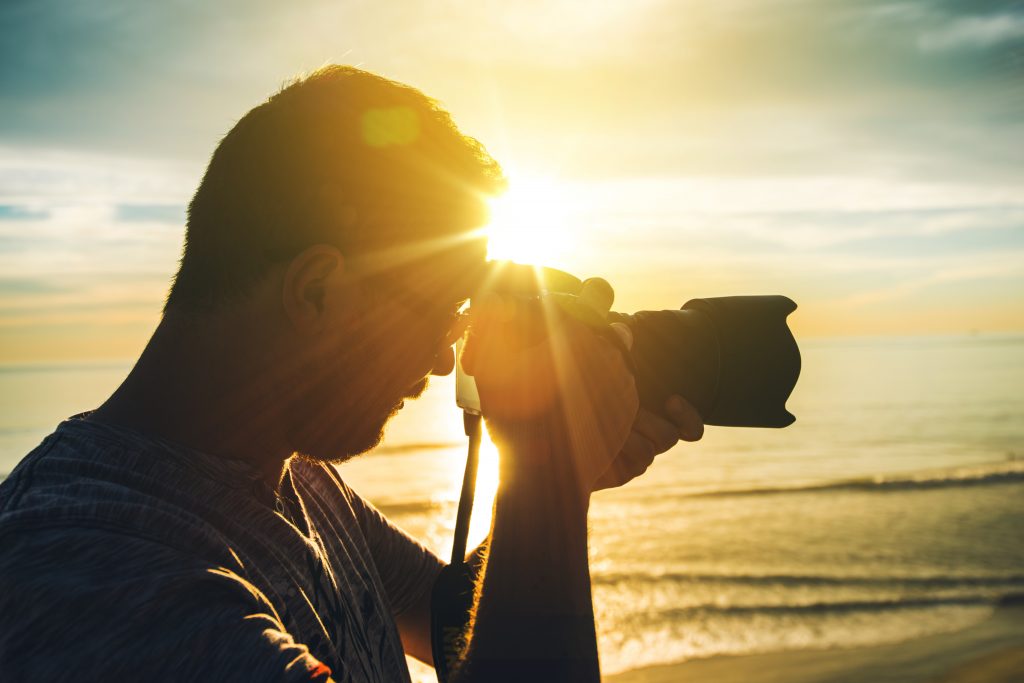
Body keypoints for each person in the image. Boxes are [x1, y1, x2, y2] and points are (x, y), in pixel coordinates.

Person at [0, 66, 703, 682]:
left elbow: (450, 621)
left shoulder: (295, 475)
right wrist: (545, 478)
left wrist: (555, 479)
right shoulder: (95, 581)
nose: (441, 356)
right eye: (442, 313)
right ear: (316, 290)